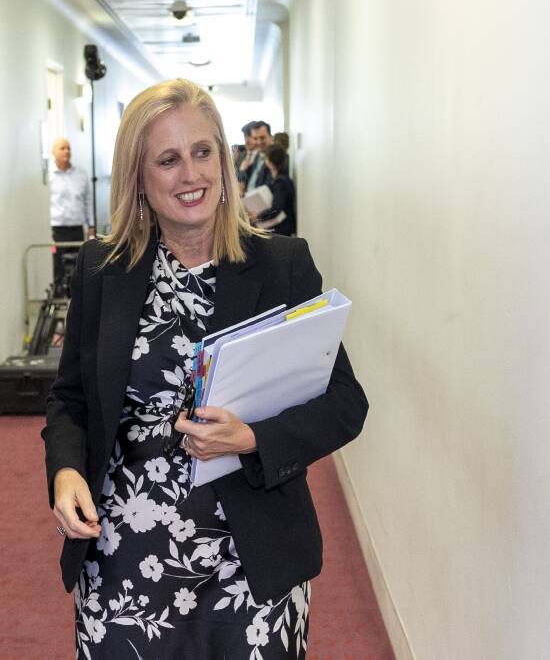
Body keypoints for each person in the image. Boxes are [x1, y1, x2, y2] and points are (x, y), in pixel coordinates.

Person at [42, 78, 368, 658]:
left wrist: (253, 438)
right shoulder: (102, 269)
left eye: (202, 151)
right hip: (124, 553)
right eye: (167, 160)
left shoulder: (282, 267)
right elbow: (69, 398)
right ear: (138, 178)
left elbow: (345, 403)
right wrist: (66, 471)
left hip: (251, 559)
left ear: (224, 157)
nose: (190, 175)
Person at [49, 137, 93, 293]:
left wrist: (91, 225)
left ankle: (75, 295)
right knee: (57, 262)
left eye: (68, 148)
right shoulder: (48, 177)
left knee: (77, 263)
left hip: (76, 228)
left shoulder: (81, 175)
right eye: (62, 148)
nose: (66, 151)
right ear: (53, 152)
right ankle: (58, 291)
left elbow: (88, 201)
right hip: (56, 230)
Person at [252, 143, 297, 236]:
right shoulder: (277, 179)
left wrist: (258, 216)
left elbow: (276, 209)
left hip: (281, 229)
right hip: (279, 227)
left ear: (270, 160)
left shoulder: (281, 182)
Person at [238, 120, 273, 193]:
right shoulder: (258, 155)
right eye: (255, 138)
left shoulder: (275, 157)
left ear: (270, 137)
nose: (259, 142)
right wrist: (242, 170)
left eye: (262, 138)